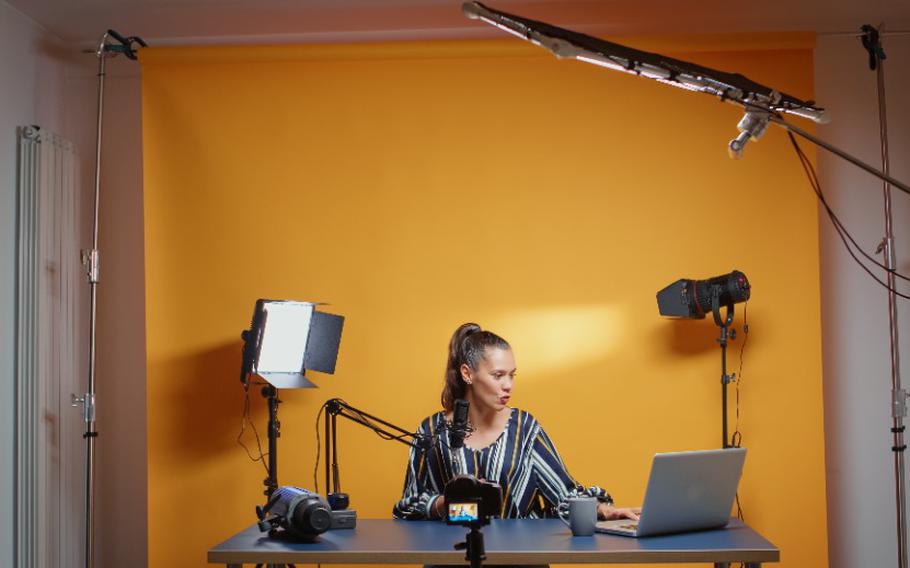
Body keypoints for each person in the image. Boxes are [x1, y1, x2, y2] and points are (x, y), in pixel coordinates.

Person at [393, 323, 640, 522]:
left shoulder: (524, 428)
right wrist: (443, 504)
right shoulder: (432, 430)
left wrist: (604, 510)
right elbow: (407, 506)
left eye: (512, 375)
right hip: (452, 556)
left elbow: (564, 496)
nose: (508, 385)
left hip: (517, 556)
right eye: (498, 375)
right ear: (467, 373)